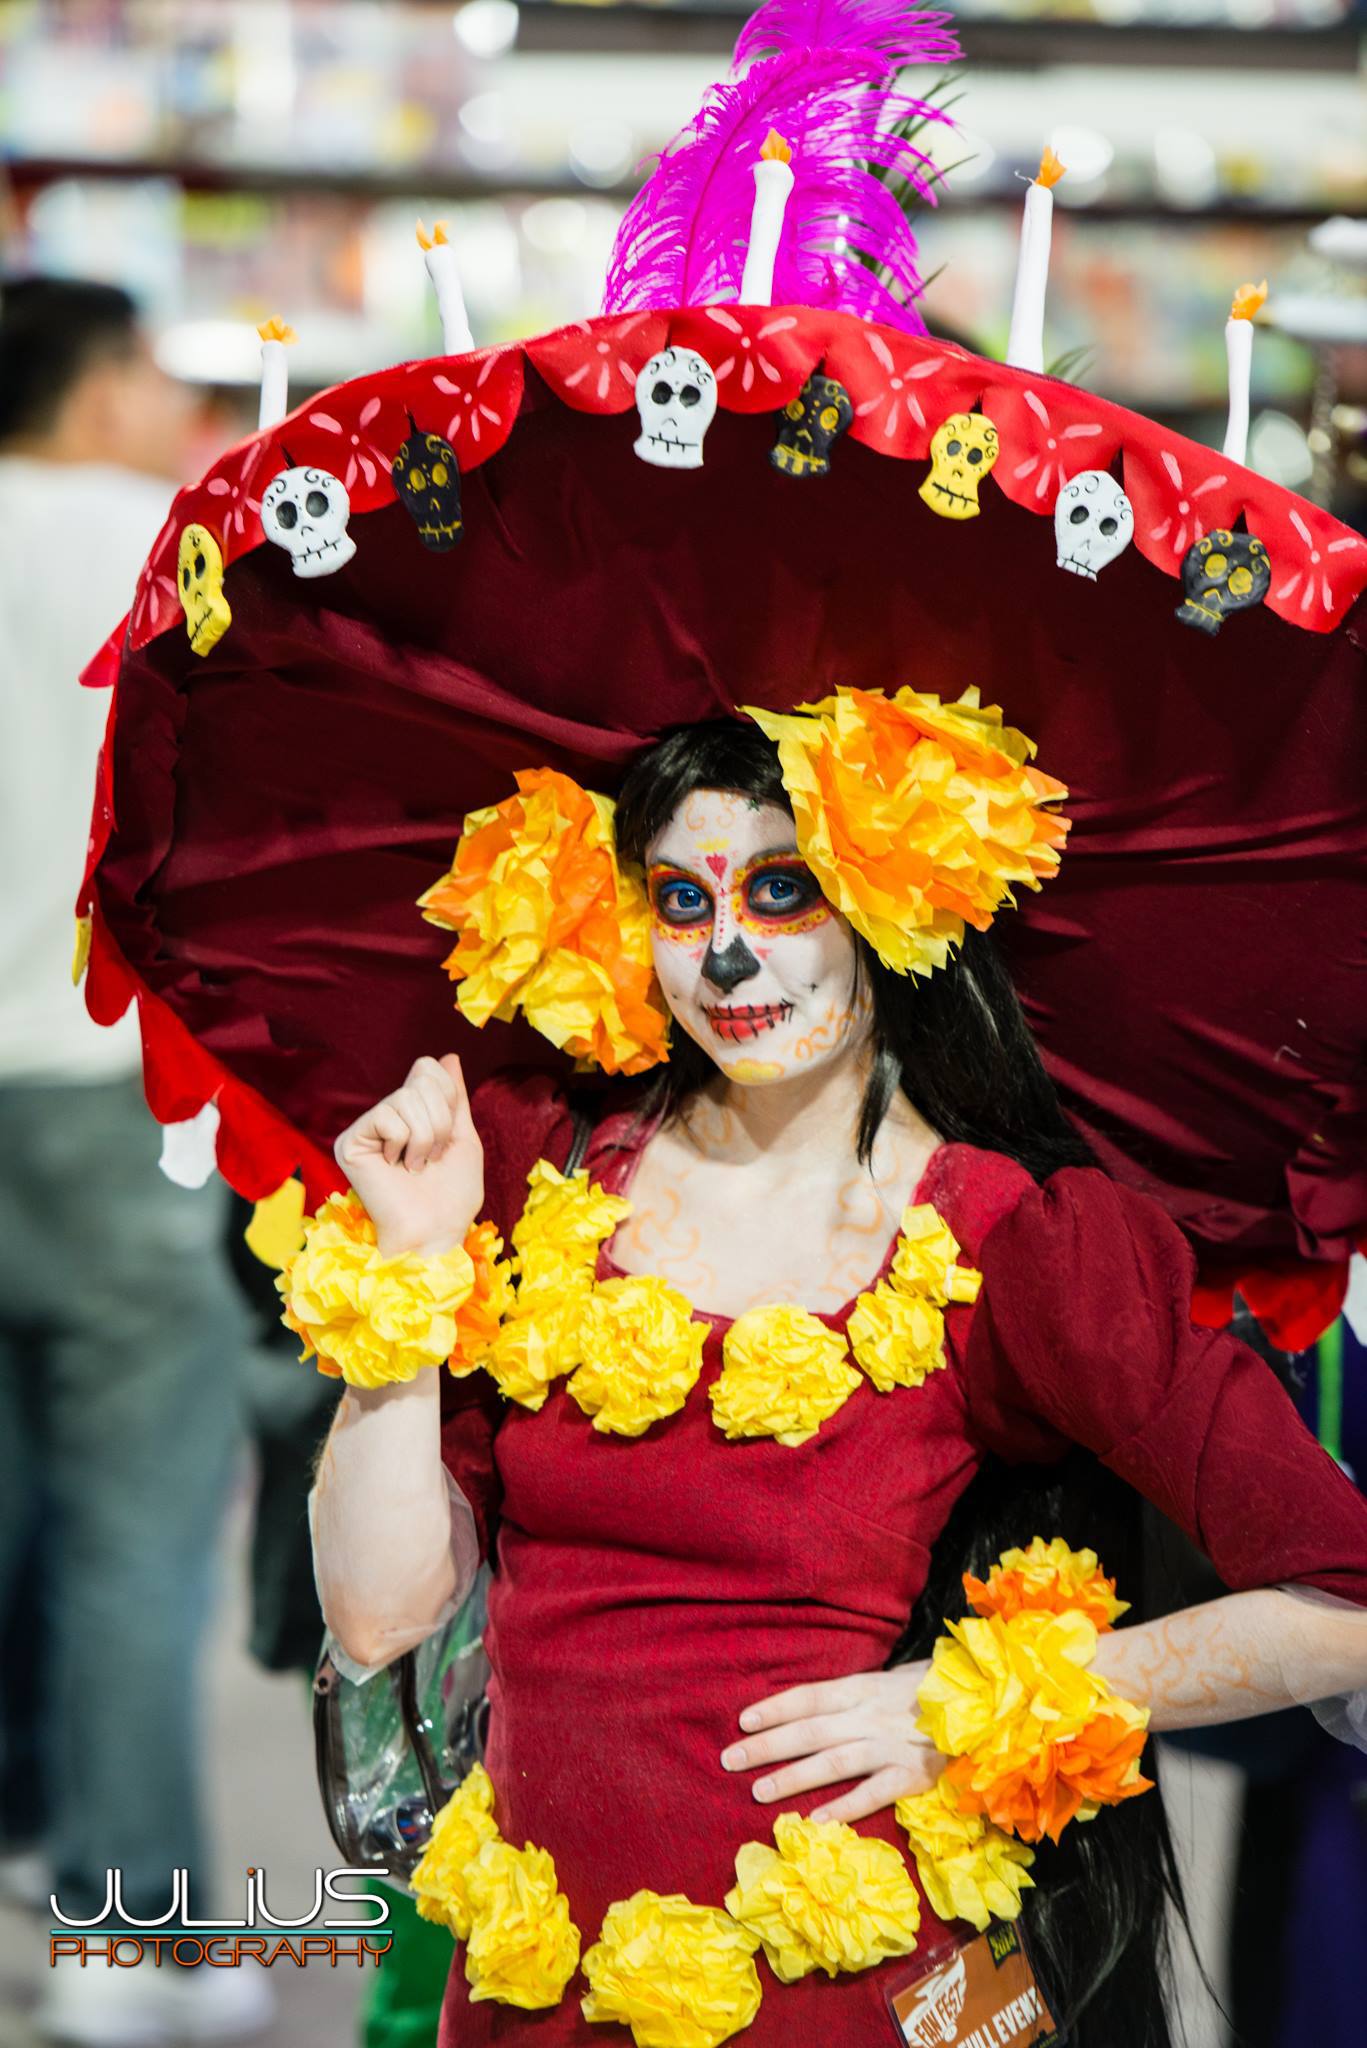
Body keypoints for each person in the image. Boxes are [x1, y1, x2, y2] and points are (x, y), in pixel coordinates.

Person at [303, 716, 1367, 2048]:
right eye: (682, 902)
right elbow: (378, 1614)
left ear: (886, 898)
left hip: (855, 1991)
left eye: (781, 889)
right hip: (535, 1986)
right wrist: (409, 1272)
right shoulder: (534, 1163)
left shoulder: (1013, 1239)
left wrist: (974, 1703)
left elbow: (1346, 1606)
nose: (727, 956)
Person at [0, 276, 270, 2045]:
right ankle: (131, 1938)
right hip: (107, 1094)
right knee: (135, 1534)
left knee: (22, 1501)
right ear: (101, 388)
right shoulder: (160, 548)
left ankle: (38, 1829)